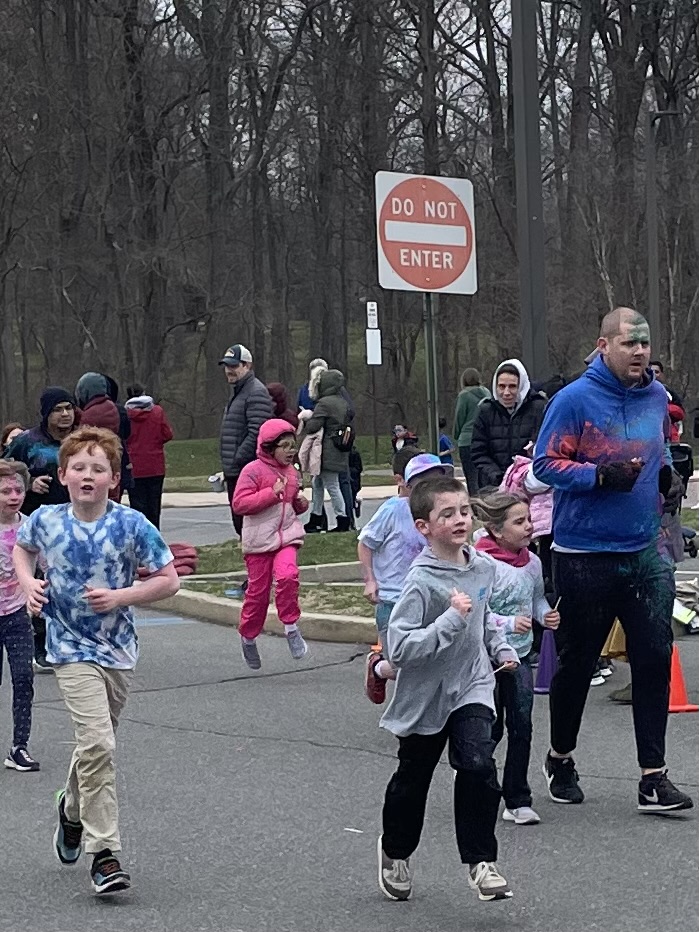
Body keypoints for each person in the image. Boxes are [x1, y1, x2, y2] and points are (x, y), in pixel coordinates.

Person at [533, 306, 694, 813]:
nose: (640, 352)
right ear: (604, 346)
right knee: (578, 664)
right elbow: (544, 464)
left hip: (645, 552)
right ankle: (560, 757)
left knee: (653, 660)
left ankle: (653, 777)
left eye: (645, 344)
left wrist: (669, 477)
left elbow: (659, 449)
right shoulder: (573, 400)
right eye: (630, 344)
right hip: (584, 554)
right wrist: (598, 476)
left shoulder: (654, 395)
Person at [13, 427, 179, 895]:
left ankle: (70, 809)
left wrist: (122, 596)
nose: (88, 475)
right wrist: (28, 584)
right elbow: (22, 552)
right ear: (63, 474)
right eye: (79, 468)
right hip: (67, 649)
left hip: (117, 649)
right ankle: (104, 854)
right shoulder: (45, 520)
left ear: (113, 478)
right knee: (100, 745)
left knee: (94, 744)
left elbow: (169, 581)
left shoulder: (131, 524)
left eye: (98, 469)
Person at [377, 475, 520, 904]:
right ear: (424, 526)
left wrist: (500, 646)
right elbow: (400, 647)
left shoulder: (480, 566)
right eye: (447, 514)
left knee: (478, 764)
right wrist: (450, 620)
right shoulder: (420, 581)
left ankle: (481, 863)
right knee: (413, 780)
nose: (460, 520)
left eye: (464, 511)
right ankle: (395, 852)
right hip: (425, 694)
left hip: (472, 684)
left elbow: (484, 617)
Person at [472, 490, 560, 826]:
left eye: (529, 519)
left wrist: (545, 615)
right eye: (519, 521)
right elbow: (477, 612)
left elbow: (536, 600)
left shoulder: (533, 562)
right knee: (488, 729)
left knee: (522, 726)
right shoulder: (480, 563)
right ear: (496, 529)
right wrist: (508, 623)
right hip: (486, 660)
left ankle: (517, 799)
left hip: (521, 657)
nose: (529, 526)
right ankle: (475, 776)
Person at [360, 451, 452, 703]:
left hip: (429, 595)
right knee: (402, 664)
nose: (432, 488)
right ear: (408, 484)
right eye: (425, 482)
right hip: (393, 599)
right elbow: (365, 543)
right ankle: (378, 668)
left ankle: (425, 715)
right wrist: (370, 580)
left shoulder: (441, 513)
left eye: (437, 482)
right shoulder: (393, 510)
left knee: (429, 660)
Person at [4, 387, 78, 671]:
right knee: (39, 582)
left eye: (69, 408)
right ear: (46, 414)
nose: (65, 414)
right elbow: (8, 471)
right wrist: (30, 482)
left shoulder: (81, 440)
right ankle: (40, 643)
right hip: (38, 522)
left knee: (70, 581)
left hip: (75, 522)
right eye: (58, 409)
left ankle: (71, 639)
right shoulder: (28, 442)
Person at [232, 419, 309, 669]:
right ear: (268, 447)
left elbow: (291, 506)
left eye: (292, 446)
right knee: (258, 594)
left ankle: (291, 627)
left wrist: (300, 504)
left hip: (286, 537)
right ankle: (248, 637)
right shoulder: (252, 471)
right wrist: (271, 493)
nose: (290, 451)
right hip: (259, 542)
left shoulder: (292, 473)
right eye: (284, 446)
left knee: (288, 576)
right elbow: (240, 504)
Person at [0, 460, 39, 772]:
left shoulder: (30, 528)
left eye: (18, 490)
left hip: (16, 614)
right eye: (5, 491)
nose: (13, 496)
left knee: (24, 679)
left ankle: (19, 747)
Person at [219, 344, 273, 536]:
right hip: (236, 469)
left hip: (246, 469)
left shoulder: (255, 392)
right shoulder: (239, 392)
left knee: (247, 523)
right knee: (239, 520)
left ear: (247, 365)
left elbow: (257, 433)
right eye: (226, 366)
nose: (228, 370)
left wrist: (237, 458)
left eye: (233, 366)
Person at [471, 359, 546, 489]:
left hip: (528, 485)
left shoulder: (539, 408)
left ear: (521, 386)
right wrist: (496, 475)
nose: (506, 393)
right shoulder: (485, 411)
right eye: (501, 386)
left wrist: (519, 475)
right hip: (493, 485)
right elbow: (478, 452)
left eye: (512, 386)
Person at [302, 369, 352, 533]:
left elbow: (314, 426)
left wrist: (306, 418)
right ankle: (315, 517)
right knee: (318, 483)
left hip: (326, 451)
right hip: (339, 448)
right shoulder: (343, 402)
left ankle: (342, 519)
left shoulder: (324, 404)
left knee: (332, 486)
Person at [124, 384, 174, 529]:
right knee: (154, 506)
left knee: (138, 506)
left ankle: (140, 539)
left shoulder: (125, 414)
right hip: (155, 465)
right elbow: (167, 434)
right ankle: (155, 537)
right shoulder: (157, 411)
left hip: (134, 466)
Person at [453, 368, 491, 492]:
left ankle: (474, 504)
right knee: (484, 476)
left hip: (467, 440)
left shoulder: (464, 395)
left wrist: (456, 435)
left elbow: (460, 417)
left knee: (471, 476)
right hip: (485, 438)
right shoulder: (487, 393)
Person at [650, 361, 685, 441]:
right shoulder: (637, 391)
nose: (654, 374)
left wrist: (663, 408)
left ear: (662, 374)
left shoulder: (668, 392)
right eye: (651, 372)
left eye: (657, 372)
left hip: (668, 438)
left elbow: (680, 413)